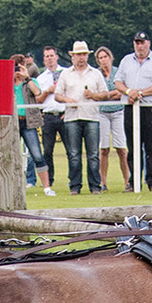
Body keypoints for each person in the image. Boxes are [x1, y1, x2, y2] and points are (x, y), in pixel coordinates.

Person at [55, 41, 108, 195]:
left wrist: (93, 95)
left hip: (91, 116)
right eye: (78, 54)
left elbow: (105, 94)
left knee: (93, 154)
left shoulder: (95, 73)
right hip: (72, 117)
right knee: (74, 154)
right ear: (73, 56)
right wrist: (66, 100)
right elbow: (58, 95)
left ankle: (95, 186)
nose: (81, 57)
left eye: (84, 54)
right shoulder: (65, 73)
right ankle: (75, 185)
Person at [113, 32, 152, 190]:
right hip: (130, 107)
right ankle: (133, 181)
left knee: (151, 146)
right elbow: (118, 82)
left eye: (142, 43)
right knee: (132, 146)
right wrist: (129, 92)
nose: (139, 46)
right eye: (137, 43)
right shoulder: (126, 60)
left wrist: (140, 93)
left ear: (148, 43)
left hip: (150, 107)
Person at [13, 54, 54, 196]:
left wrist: (27, 77)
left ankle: (46, 188)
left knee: (37, 154)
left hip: (28, 122)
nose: (17, 70)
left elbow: (37, 92)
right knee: (11, 156)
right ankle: (14, 187)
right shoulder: (8, 82)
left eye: (20, 66)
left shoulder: (31, 81)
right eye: (15, 66)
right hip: (12, 122)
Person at [93, 46, 128, 192]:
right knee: (104, 149)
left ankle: (127, 181)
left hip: (118, 111)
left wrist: (105, 95)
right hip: (102, 113)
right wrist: (108, 94)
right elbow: (95, 94)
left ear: (110, 57)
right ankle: (103, 182)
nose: (103, 60)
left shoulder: (117, 72)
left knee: (121, 149)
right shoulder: (95, 74)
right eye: (100, 58)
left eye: (105, 57)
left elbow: (121, 91)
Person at [34, 46, 67, 178]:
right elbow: (38, 101)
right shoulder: (41, 78)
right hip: (48, 116)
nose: (49, 58)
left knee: (71, 151)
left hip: (64, 115)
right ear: (44, 59)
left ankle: (74, 182)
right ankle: (50, 179)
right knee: (47, 151)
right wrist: (48, 90)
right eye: (46, 56)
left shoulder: (66, 73)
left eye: (51, 55)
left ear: (56, 56)